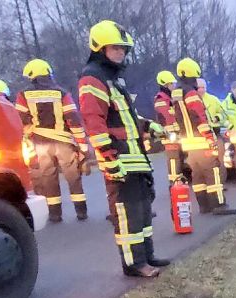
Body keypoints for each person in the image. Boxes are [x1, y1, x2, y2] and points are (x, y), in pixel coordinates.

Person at [78, 20, 169, 278]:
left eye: (123, 49)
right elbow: (94, 122)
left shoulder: (114, 80)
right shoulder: (92, 78)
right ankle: (134, 264)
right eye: (115, 48)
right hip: (119, 159)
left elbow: (126, 117)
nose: (120, 53)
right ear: (100, 48)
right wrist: (108, 158)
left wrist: (149, 125)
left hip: (135, 158)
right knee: (127, 214)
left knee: (142, 210)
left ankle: (147, 255)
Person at [15, 59, 89, 222]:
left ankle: (55, 214)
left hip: (40, 143)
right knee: (73, 177)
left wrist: (28, 137)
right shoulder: (62, 93)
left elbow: (21, 120)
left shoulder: (23, 95)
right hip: (64, 143)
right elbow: (73, 119)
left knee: (48, 178)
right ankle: (81, 211)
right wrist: (82, 145)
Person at [172, 58, 236, 215]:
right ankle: (219, 205)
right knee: (213, 173)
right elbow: (199, 118)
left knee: (198, 176)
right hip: (202, 141)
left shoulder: (176, 93)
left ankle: (204, 206)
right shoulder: (191, 94)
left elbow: (178, 119)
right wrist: (210, 138)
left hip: (188, 143)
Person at [153, 70, 182, 185]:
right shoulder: (161, 99)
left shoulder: (169, 98)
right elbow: (167, 118)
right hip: (170, 135)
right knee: (174, 159)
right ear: (165, 85)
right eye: (171, 84)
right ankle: (175, 181)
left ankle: (178, 179)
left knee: (178, 158)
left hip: (175, 134)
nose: (174, 86)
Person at [197, 77, 229, 164]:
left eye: (203, 87)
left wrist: (217, 117)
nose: (201, 90)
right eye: (199, 87)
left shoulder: (213, 99)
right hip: (199, 134)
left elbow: (224, 114)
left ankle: (220, 174)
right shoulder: (192, 100)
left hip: (215, 132)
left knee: (219, 159)